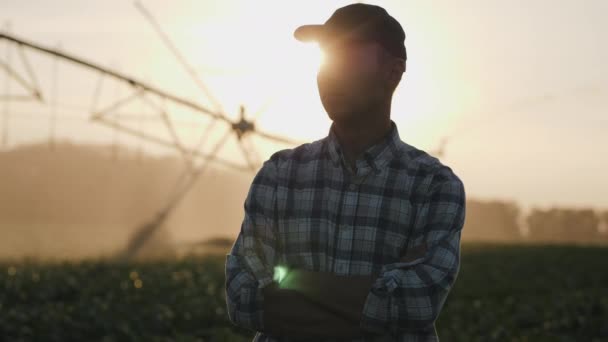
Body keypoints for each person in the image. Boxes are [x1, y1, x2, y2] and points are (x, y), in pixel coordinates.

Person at [225, 3, 466, 341]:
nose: (330, 73)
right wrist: (375, 294)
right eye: (325, 58)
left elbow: (417, 304)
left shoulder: (434, 186)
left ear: (393, 73)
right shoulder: (279, 174)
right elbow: (243, 298)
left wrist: (294, 280)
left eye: (349, 57)